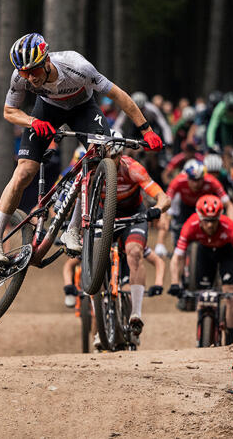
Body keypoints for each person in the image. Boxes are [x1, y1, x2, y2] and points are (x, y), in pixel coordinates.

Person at [0, 32, 164, 264]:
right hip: (46, 110)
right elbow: (9, 111)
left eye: (34, 71)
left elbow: (119, 96)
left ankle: (74, 229)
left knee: (103, 155)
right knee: (24, 172)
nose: (30, 78)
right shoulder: (20, 77)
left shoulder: (78, 67)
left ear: (46, 60)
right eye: (24, 73)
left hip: (83, 108)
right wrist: (33, 122)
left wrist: (146, 130)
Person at [73, 141, 170, 339]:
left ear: (121, 155)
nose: (111, 161)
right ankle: (100, 323)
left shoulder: (133, 168)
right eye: (106, 157)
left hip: (133, 216)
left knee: (134, 252)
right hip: (104, 215)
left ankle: (135, 313)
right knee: (94, 259)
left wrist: (156, 210)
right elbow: (77, 199)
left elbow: (163, 198)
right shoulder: (92, 170)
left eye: (115, 157)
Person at [169, 195, 233, 344]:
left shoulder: (228, 226)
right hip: (205, 253)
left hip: (227, 253)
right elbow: (177, 257)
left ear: (220, 217)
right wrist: (175, 283)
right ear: (199, 217)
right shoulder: (190, 225)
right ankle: (201, 333)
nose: (210, 225)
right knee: (203, 294)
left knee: (229, 296)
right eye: (206, 221)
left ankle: (229, 339)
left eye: (214, 221)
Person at [156, 159, 233, 256]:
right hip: (185, 207)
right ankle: (163, 246)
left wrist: (231, 224)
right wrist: (163, 220)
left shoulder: (211, 181)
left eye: (199, 180)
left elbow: (229, 205)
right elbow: (165, 203)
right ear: (187, 177)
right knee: (168, 222)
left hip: (205, 210)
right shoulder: (178, 181)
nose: (196, 184)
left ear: (204, 177)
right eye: (193, 180)